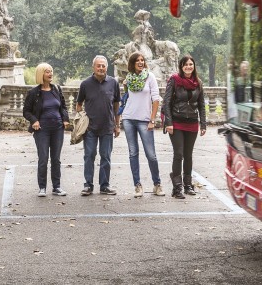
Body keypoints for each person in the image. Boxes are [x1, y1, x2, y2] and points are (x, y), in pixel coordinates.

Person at [119, 52, 165, 197]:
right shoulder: (128, 78)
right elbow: (128, 99)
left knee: (151, 155)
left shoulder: (149, 77)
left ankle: (157, 184)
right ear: (132, 63)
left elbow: (156, 99)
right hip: (128, 118)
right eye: (137, 60)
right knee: (133, 153)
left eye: (142, 60)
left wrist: (152, 120)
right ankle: (137, 185)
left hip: (145, 120)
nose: (140, 62)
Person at [21, 63, 70, 197]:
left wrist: (65, 119)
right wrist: (34, 121)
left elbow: (63, 107)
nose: (50, 74)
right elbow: (26, 111)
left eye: (51, 71)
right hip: (42, 130)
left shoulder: (56, 89)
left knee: (56, 159)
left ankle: (57, 187)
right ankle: (42, 187)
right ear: (41, 74)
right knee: (43, 158)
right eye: (47, 72)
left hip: (57, 129)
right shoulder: (34, 93)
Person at [163, 54, 207, 199]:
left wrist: (203, 124)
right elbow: (166, 102)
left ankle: (188, 185)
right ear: (181, 66)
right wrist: (168, 123)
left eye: (191, 64)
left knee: (188, 155)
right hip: (176, 122)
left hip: (192, 123)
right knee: (179, 154)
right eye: (186, 64)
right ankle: (177, 188)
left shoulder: (198, 82)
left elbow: (201, 104)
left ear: (194, 67)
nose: (188, 66)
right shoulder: (174, 80)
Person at [76, 55, 121, 196]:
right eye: (98, 65)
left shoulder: (113, 83)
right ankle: (88, 185)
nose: (101, 68)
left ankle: (104, 186)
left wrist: (117, 124)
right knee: (89, 155)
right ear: (93, 67)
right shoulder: (85, 84)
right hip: (90, 128)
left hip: (107, 127)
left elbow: (116, 105)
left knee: (106, 156)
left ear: (107, 67)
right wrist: (82, 119)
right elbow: (78, 104)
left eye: (103, 65)